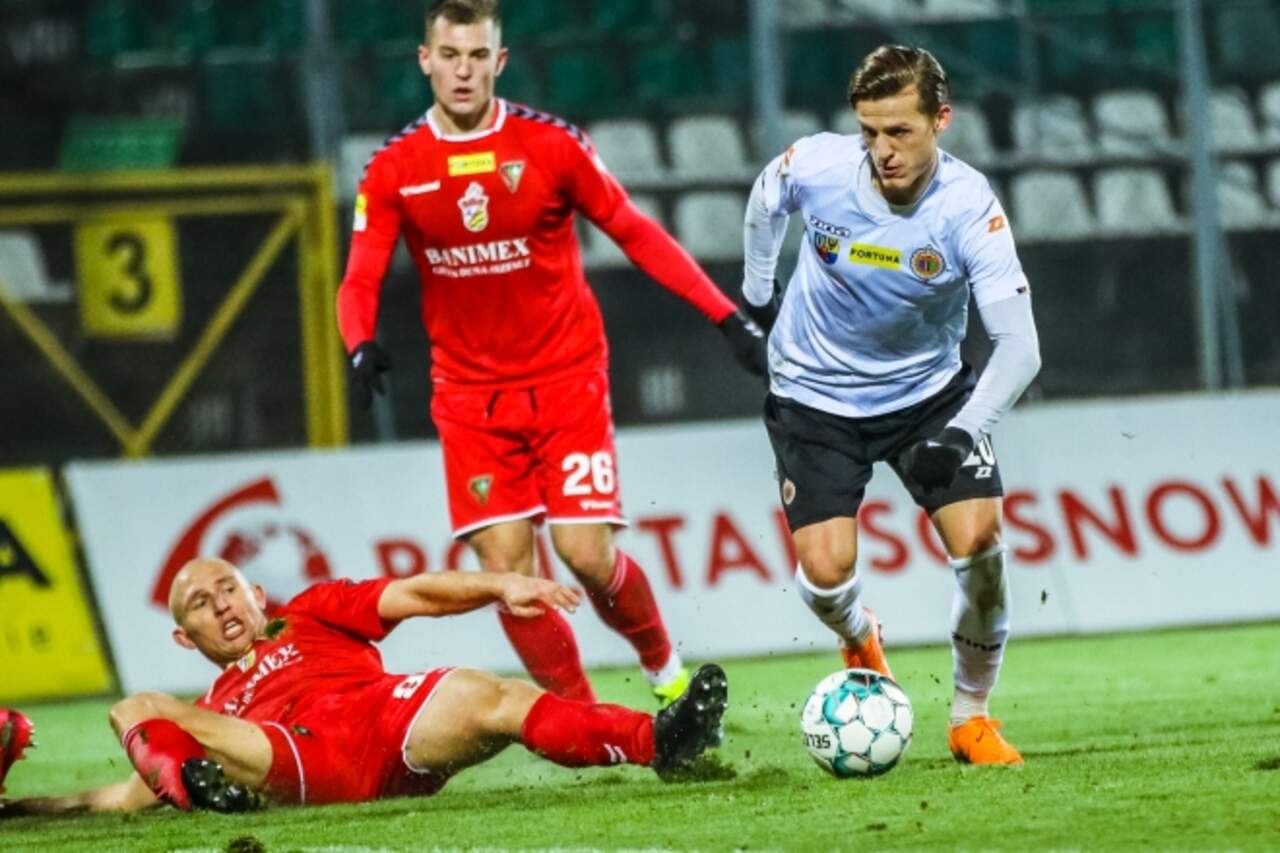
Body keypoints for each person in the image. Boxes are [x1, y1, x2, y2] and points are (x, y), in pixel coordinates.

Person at [336, 0, 765, 708]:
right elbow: (359, 278)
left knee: (585, 555)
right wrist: (359, 344)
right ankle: (586, 722)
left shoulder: (551, 145)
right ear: (425, 60)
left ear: (499, 61)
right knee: (510, 574)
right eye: (451, 56)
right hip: (470, 400)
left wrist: (724, 316)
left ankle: (667, 673)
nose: (464, 71)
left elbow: (633, 230)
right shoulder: (393, 169)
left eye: (478, 56)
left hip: (566, 378)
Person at [741, 45, 1041, 766]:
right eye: (870, 132)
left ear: (941, 120)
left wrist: (962, 433)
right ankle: (858, 635)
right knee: (825, 578)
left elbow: (1020, 346)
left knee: (983, 549)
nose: (882, 151)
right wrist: (757, 292)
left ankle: (970, 716)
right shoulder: (821, 166)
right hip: (812, 396)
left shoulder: (968, 208)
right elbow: (765, 197)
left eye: (900, 131)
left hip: (928, 396)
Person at [0, 557, 729, 816]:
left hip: (390, 723)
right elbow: (121, 795)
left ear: (256, 594)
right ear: (184, 638)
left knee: (494, 694)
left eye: (227, 588)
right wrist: (26, 810)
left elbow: (416, 592)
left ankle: (660, 740)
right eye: (200, 604)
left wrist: (500, 583)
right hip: (292, 756)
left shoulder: (311, 609)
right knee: (138, 707)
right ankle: (213, 801)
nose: (221, 605)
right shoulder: (212, 715)